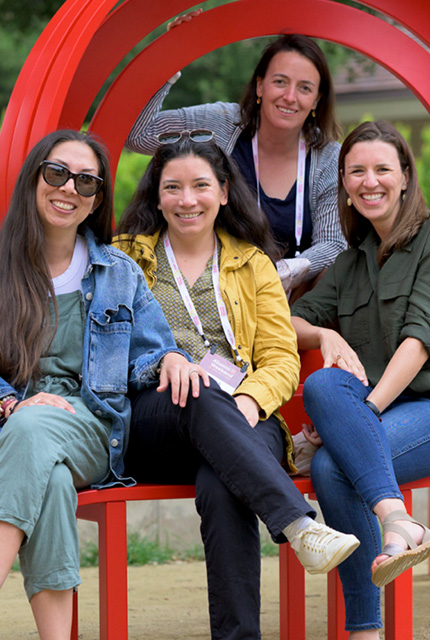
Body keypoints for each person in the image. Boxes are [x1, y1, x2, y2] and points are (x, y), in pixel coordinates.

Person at [0, 130, 193, 640]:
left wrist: (172, 361)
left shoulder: (119, 273)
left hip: (86, 428)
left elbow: (153, 351)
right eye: (57, 173)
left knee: (36, 429)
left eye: (87, 182)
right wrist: (6, 402)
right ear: (34, 179)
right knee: (45, 479)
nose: (69, 188)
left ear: (97, 200)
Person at [114, 134, 359, 640]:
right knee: (199, 389)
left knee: (223, 482)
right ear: (156, 197)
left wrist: (249, 399)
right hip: (155, 421)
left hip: (244, 419)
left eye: (201, 185)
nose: (188, 200)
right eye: (173, 188)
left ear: (224, 192)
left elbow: (279, 358)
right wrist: (166, 363)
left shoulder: (254, 264)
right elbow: (104, 346)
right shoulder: (122, 261)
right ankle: (297, 524)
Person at [289, 121, 430, 639]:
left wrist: (358, 418)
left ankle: (365, 628)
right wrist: (323, 335)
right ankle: (399, 523)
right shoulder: (351, 261)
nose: (370, 181)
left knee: (332, 466)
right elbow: (285, 322)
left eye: (382, 169)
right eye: (356, 171)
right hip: (383, 412)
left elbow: (420, 341)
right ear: (343, 183)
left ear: (405, 177)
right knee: (323, 387)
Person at [126, 19, 346, 300]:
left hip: (290, 299)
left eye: (304, 88)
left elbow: (333, 244)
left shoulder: (328, 156)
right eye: (280, 82)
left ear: (316, 100)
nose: (290, 97)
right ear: (260, 86)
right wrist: (170, 61)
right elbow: (138, 134)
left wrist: (283, 272)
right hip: (212, 292)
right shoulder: (221, 124)